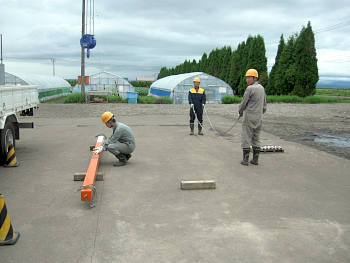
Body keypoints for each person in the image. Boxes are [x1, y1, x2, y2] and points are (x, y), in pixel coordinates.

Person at [238, 69, 267, 166]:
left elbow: (243, 103)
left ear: (255, 78)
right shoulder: (262, 88)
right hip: (259, 117)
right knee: (256, 137)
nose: (247, 80)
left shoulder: (249, 89)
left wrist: (240, 112)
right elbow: (264, 104)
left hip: (249, 116)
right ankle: (255, 159)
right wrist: (260, 113)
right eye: (246, 78)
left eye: (249, 78)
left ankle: (245, 160)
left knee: (246, 136)